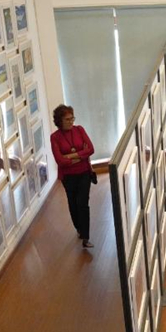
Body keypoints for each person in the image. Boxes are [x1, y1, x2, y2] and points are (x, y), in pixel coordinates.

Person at [50, 105, 95, 248]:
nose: (71, 122)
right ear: (59, 121)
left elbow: (91, 149)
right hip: (68, 177)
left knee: (83, 203)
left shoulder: (79, 130)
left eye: (72, 118)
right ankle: (79, 228)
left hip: (84, 173)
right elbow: (60, 161)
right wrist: (80, 154)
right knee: (73, 204)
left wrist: (70, 156)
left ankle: (85, 237)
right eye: (67, 119)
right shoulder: (55, 137)